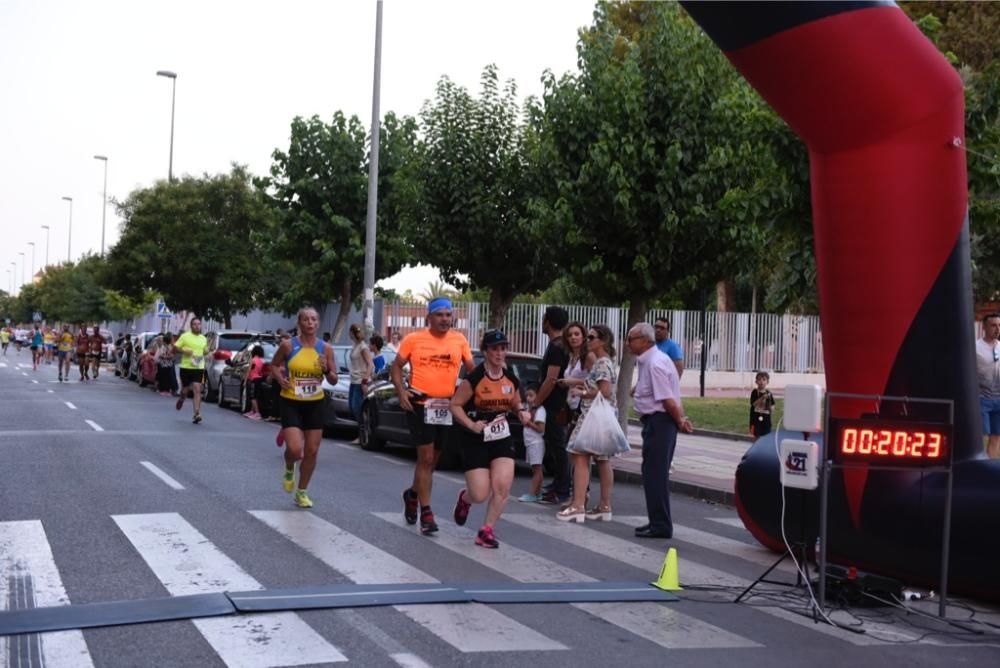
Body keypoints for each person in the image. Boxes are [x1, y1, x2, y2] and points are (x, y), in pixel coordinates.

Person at [391, 298, 474, 535]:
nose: (445, 319)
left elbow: (472, 372)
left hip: (446, 407)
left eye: (448, 315)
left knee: (432, 461)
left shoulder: (459, 340)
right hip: (419, 404)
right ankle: (426, 513)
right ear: (429, 317)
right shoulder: (414, 339)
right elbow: (396, 367)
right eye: (440, 315)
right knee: (425, 459)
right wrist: (401, 391)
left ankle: (412, 495)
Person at [450, 329, 525, 548]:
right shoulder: (474, 378)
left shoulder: (511, 378)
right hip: (476, 437)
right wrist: (472, 425)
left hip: (501, 436)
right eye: (495, 349)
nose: (500, 353)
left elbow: (515, 403)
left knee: (502, 486)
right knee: (480, 493)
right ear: (485, 351)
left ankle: (486, 530)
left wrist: (521, 412)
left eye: (503, 348)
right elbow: (455, 405)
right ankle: (465, 499)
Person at [627, 322, 694, 538]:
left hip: (660, 422)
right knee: (652, 473)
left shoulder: (655, 363)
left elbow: (667, 399)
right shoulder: (651, 361)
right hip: (657, 421)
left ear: (645, 341)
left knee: (655, 474)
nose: (628, 343)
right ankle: (656, 520)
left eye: (632, 339)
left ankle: (661, 525)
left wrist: (680, 419)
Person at [270, 307, 338, 508]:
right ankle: (289, 466)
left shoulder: (325, 348)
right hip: (291, 400)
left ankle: (302, 491)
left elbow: (333, 380)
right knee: (295, 449)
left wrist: (326, 369)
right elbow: (274, 365)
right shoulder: (288, 346)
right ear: (299, 323)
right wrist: (280, 379)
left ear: (318, 324)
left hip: (315, 402)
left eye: (314, 319)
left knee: (311, 451)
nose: (310, 323)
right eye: (306, 320)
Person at [558, 325, 621, 523]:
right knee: (602, 459)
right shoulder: (606, 362)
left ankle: (577, 506)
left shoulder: (601, 363)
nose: (588, 340)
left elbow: (605, 391)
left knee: (579, 456)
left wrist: (582, 392)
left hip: (592, 415)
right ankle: (604, 505)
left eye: (591, 337)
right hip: (604, 415)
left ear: (603, 340)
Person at [531, 306, 571, 505]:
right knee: (555, 446)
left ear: (549, 321)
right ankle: (558, 483)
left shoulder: (557, 347)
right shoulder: (558, 345)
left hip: (555, 406)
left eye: (544, 318)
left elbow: (551, 379)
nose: (542, 322)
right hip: (555, 405)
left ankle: (563, 488)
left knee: (558, 446)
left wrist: (536, 402)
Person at [174, 317, 208, 424]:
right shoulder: (185, 337)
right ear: (191, 325)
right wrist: (184, 350)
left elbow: (205, 351)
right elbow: (174, 348)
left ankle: (196, 413)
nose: (197, 326)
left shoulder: (203, 338)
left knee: (197, 388)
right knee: (185, 390)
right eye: (195, 324)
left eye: (199, 324)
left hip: (198, 367)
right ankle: (181, 399)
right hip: (186, 367)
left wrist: (209, 353)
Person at [517, 384, 546, 503]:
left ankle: (532, 493)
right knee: (535, 469)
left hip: (536, 442)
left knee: (537, 469)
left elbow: (540, 429)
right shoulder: (530, 409)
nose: (529, 398)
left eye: (531, 395)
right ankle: (537, 493)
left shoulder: (540, 410)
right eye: (527, 395)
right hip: (530, 442)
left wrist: (528, 422)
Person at [977, 313, 1000, 459]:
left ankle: (990, 467)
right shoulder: (975, 347)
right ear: (984, 327)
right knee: (982, 436)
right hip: (981, 398)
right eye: (993, 325)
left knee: (996, 436)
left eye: (999, 326)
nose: (997, 329)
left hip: (999, 399)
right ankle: (980, 466)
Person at [348, 323, 373, 425]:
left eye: (350, 332)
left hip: (360, 381)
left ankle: (364, 432)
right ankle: (362, 432)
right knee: (352, 406)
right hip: (353, 380)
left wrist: (365, 381)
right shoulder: (355, 345)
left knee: (357, 407)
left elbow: (371, 365)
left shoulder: (363, 347)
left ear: (352, 333)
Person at [749, 371, 775, 437]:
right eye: (759, 379)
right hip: (756, 419)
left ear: (767, 382)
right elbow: (753, 404)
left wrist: (770, 408)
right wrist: (762, 398)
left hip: (766, 419)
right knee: (756, 436)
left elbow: (772, 407)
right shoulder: (754, 392)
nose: (761, 381)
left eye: (764, 379)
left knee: (766, 436)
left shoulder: (769, 393)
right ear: (756, 381)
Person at [245, 344, 266, 420]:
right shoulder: (261, 361)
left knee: (253, 397)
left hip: (253, 379)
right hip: (259, 378)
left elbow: (249, 370)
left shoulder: (253, 360)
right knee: (255, 395)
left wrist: (246, 379)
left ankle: (257, 413)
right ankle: (252, 411)